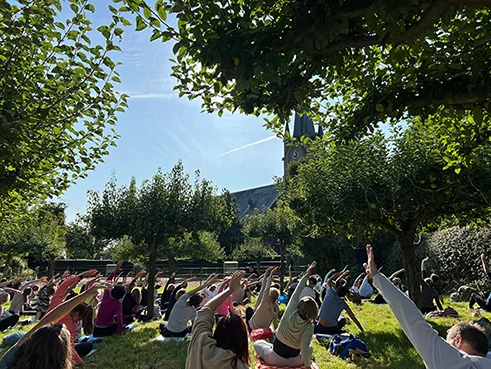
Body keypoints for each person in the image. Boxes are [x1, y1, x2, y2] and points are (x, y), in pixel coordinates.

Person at [365, 244, 491, 369]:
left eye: (446, 342)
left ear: (457, 341)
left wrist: (376, 277)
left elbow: (413, 320)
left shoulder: (450, 361)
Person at [0, 282, 108, 369]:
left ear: (34, 342)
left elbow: (46, 321)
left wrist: (85, 294)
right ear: (64, 354)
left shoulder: (6, 364)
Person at [255, 262, 319, 367]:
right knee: (309, 348)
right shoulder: (309, 326)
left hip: (274, 358)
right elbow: (304, 347)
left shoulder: (290, 311)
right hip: (294, 361)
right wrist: (307, 366)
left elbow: (297, 291)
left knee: (258, 344)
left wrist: (306, 276)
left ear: (300, 305)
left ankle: (271, 349)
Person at [185, 270, 249, 369]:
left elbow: (205, 311)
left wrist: (230, 290)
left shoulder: (202, 346)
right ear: (242, 340)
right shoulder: (240, 366)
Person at [47, 269, 99, 364]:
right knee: (87, 346)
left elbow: (63, 286)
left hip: (36, 343)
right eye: (79, 318)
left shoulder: (56, 305)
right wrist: (81, 363)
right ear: (76, 313)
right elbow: (70, 349)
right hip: (52, 353)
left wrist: (81, 275)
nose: (78, 322)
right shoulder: (70, 327)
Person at [162, 273, 218, 338]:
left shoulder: (181, 300)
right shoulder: (193, 312)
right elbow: (193, 326)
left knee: (163, 324)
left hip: (168, 331)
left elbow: (197, 289)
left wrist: (209, 283)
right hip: (181, 333)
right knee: (189, 325)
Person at [93, 261, 125, 337]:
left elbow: (108, 280)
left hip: (96, 328)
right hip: (107, 329)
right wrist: (120, 333)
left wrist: (116, 268)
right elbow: (119, 319)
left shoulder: (106, 294)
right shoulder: (118, 304)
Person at [246, 267, 279, 332]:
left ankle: (248, 330)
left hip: (253, 326)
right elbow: (275, 322)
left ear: (269, 295)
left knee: (249, 309)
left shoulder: (265, 301)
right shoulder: (276, 307)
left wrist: (268, 273)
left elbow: (265, 287)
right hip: (264, 329)